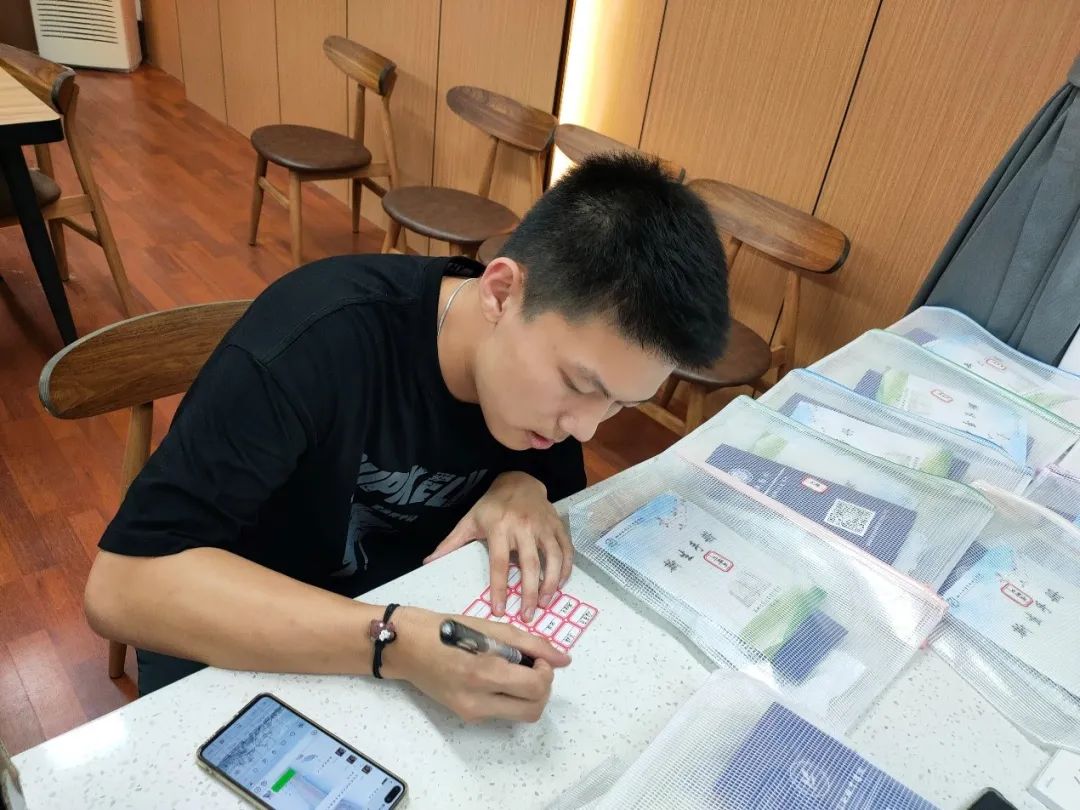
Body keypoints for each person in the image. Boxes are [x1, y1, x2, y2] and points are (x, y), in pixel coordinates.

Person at [84, 153, 730, 722]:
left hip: (404, 629)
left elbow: (543, 492)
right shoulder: (318, 340)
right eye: (579, 383)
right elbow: (122, 589)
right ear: (501, 292)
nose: (585, 427)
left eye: (620, 404)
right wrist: (390, 642)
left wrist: (524, 483)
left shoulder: (547, 392)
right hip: (241, 632)